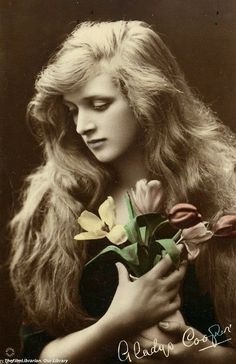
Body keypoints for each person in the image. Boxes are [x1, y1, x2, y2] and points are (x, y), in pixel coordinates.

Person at [9, 20, 236, 363]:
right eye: (72, 110)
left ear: (148, 101)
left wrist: (202, 356)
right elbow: (31, 357)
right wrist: (115, 323)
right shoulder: (55, 205)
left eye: (99, 105)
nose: (82, 126)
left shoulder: (224, 191)